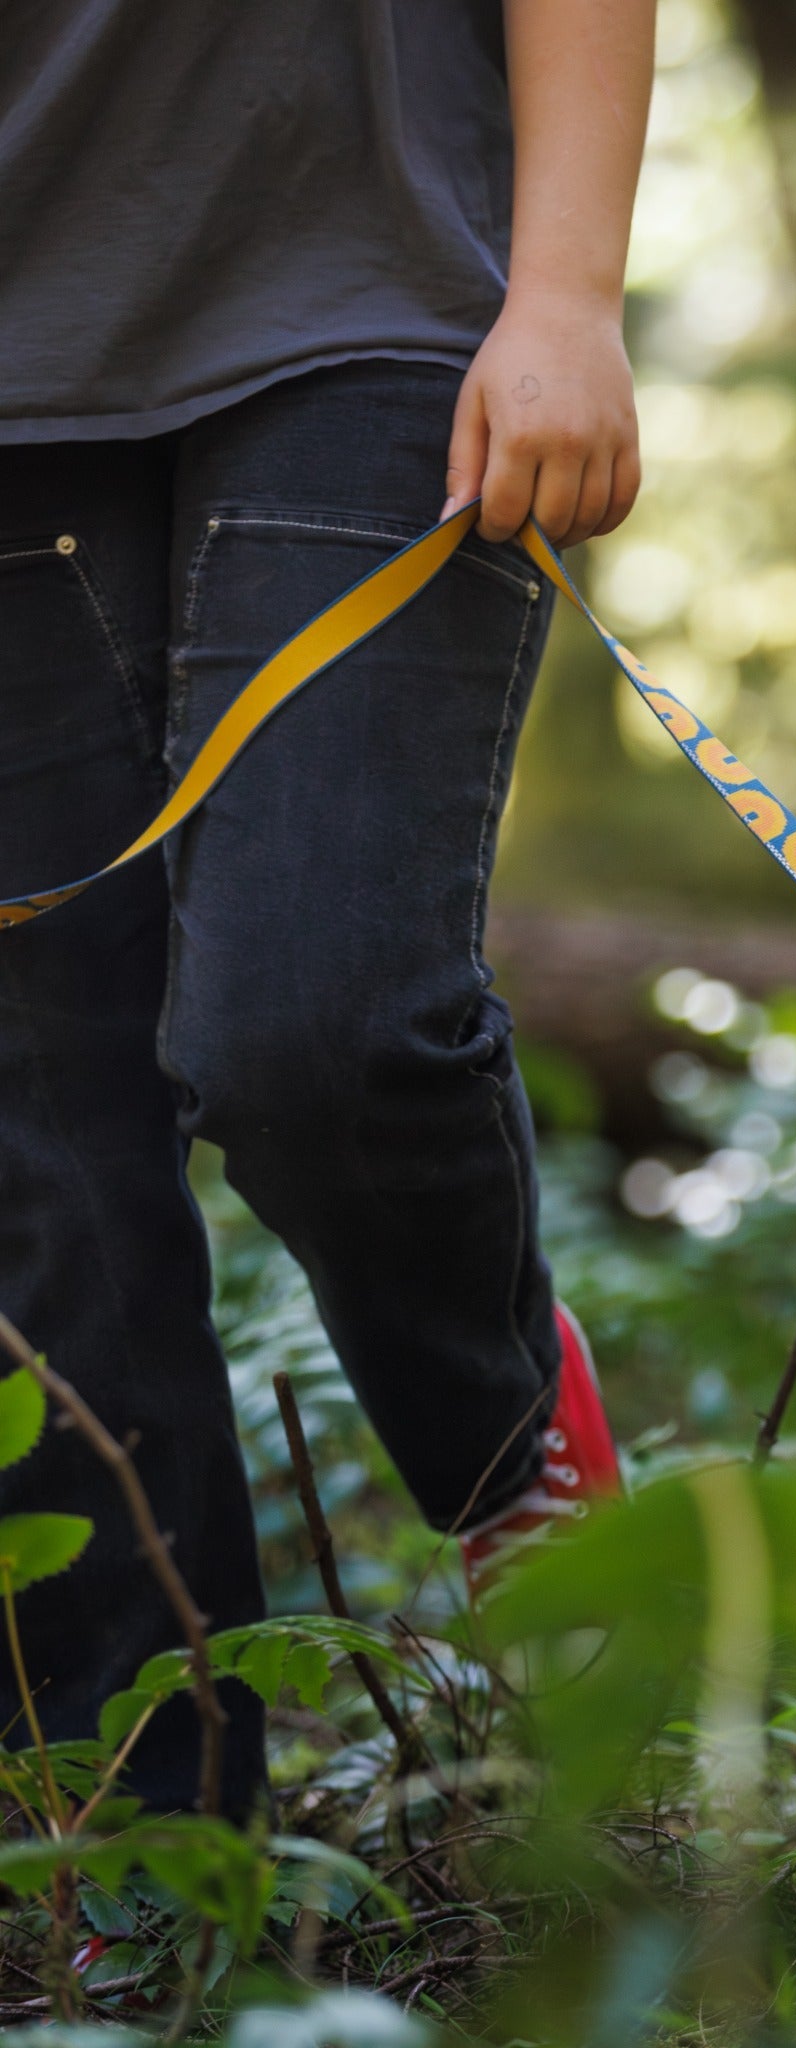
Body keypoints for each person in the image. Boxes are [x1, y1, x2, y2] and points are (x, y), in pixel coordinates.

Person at [0, 0, 655, 1814]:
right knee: (42, 1156)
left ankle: (508, 1444)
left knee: (318, 1024)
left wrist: (571, 293)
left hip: (379, 310)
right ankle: (141, 1824)